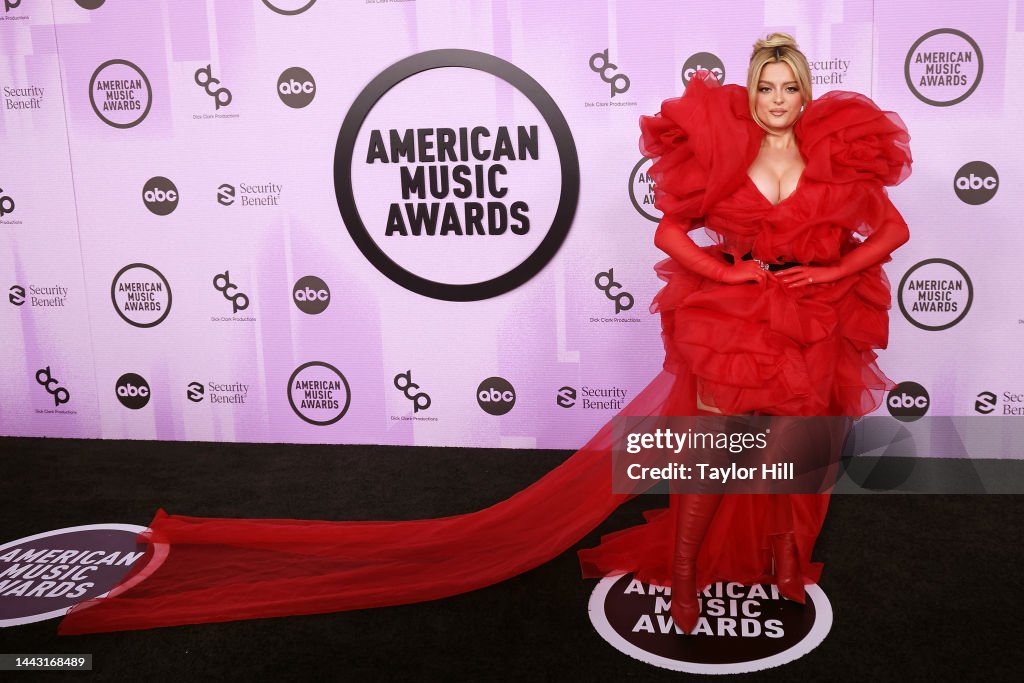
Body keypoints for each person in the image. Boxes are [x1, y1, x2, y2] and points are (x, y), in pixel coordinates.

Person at [58, 33, 911, 637]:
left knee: (802, 453)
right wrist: (728, 274)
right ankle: (685, 579)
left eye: (789, 86)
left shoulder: (836, 155)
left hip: (813, 323)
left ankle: (790, 569)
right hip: (733, 322)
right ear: (750, 90)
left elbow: (888, 232)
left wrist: (831, 274)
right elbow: (669, 233)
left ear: (805, 92)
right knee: (704, 452)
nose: (777, 99)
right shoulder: (720, 155)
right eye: (765, 85)